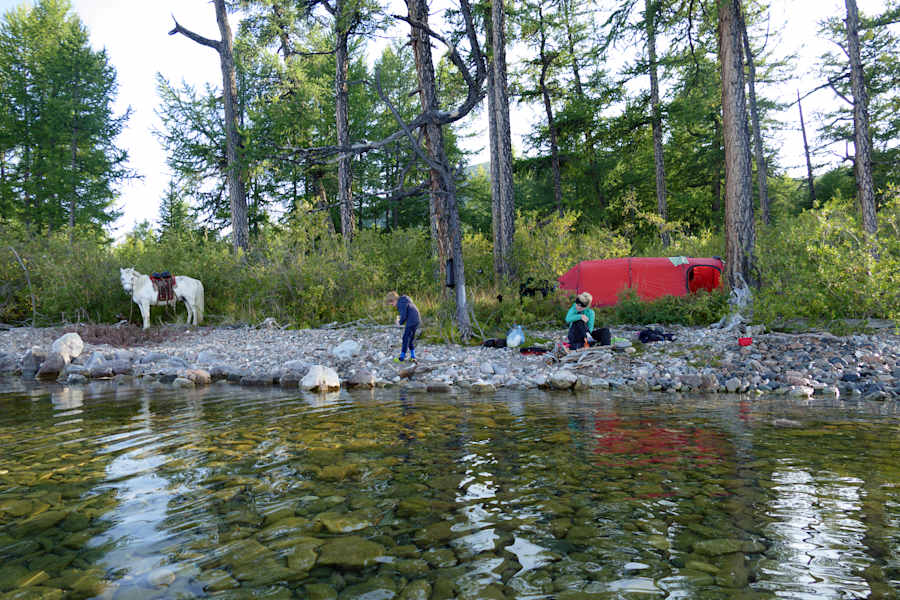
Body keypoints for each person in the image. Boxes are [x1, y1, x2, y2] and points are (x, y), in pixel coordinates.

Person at [385, 291, 420, 362]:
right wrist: (401, 319)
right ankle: (413, 356)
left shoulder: (400, 304)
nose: (393, 305)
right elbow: (406, 313)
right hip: (417, 320)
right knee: (410, 338)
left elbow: (404, 316)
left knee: (405, 338)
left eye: (392, 304)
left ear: (394, 300)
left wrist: (399, 322)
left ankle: (402, 357)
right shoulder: (404, 301)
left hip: (411, 321)